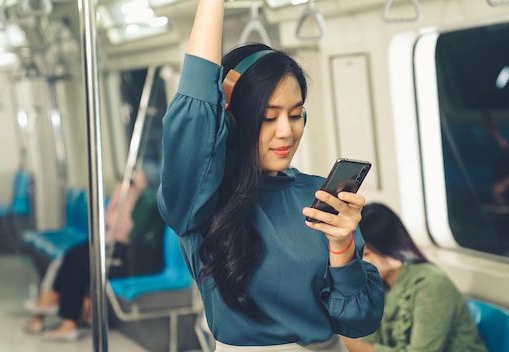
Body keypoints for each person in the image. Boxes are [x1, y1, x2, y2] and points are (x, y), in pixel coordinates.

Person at [156, 0, 384, 349]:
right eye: (268, 115)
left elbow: (358, 322)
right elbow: (194, 109)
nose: (286, 132)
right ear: (232, 119)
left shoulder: (318, 195)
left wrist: (343, 247)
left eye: (295, 115)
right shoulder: (199, 199)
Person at [23, 169, 166, 341]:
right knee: (73, 256)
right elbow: (112, 221)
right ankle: (58, 310)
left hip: (135, 255)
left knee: (80, 261)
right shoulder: (130, 195)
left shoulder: (149, 200)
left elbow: (129, 231)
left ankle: (65, 320)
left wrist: (132, 194)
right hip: (120, 245)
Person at [341, 203, 488, 352]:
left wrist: (355, 347)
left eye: (366, 254)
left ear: (391, 248)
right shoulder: (378, 285)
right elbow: (370, 338)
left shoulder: (431, 284)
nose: (359, 264)